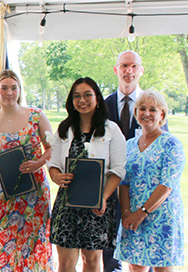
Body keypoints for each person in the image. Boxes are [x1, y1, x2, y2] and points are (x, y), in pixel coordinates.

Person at [49, 77, 127, 272]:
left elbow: (118, 171)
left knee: (91, 261)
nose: (82, 100)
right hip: (68, 204)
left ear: (98, 99)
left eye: (87, 95)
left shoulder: (111, 130)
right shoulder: (64, 129)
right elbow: (53, 164)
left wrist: (103, 197)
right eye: (77, 96)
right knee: (66, 263)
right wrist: (56, 176)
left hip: (97, 205)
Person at [104, 50, 168, 272]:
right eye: (123, 66)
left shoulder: (153, 105)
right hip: (112, 191)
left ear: (140, 70)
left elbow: (166, 171)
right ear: (116, 70)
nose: (128, 71)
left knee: (149, 259)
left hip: (150, 201)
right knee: (113, 252)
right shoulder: (103, 105)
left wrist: (143, 208)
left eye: (133, 66)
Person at [0, 69, 54, 271]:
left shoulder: (36, 116)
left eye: (14, 88)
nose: (9, 92)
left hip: (36, 189)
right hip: (6, 191)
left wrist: (38, 162)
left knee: (36, 239)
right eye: (4, 88)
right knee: (8, 240)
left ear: (19, 90)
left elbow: (51, 148)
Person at [115, 91, 185, 272]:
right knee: (135, 267)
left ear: (162, 114)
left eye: (152, 109)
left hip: (161, 216)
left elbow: (167, 184)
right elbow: (124, 183)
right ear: (136, 112)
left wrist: (142, 212)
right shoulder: (129, 145)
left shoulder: (171, 143)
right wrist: (126, 212)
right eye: (142, 109)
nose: (147, 113)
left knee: (161, 268)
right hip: (132, 217)